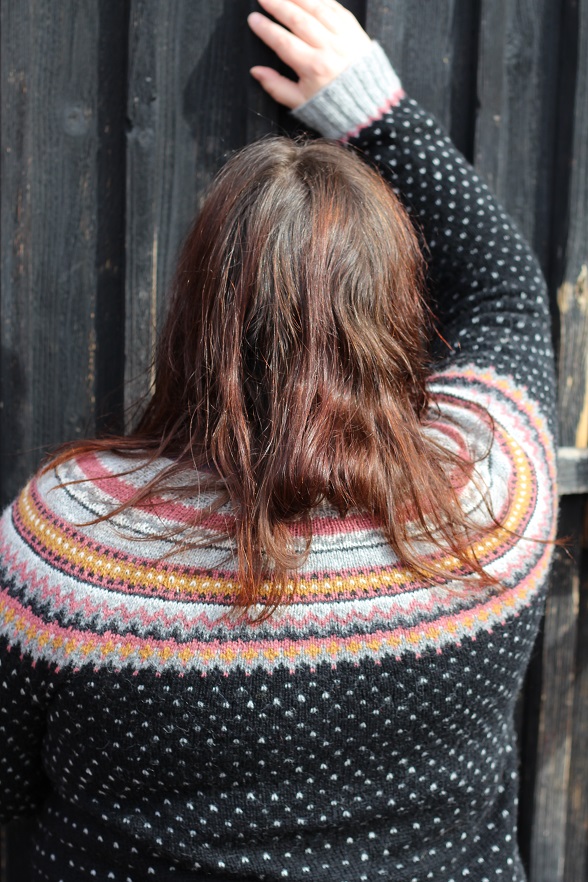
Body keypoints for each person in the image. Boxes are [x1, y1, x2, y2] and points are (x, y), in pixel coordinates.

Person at [0, 1, 557, 880]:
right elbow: (508, 295)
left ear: (199, 316)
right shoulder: (494, 498)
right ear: (395, 316)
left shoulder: (69, 551)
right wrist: (373, 109)